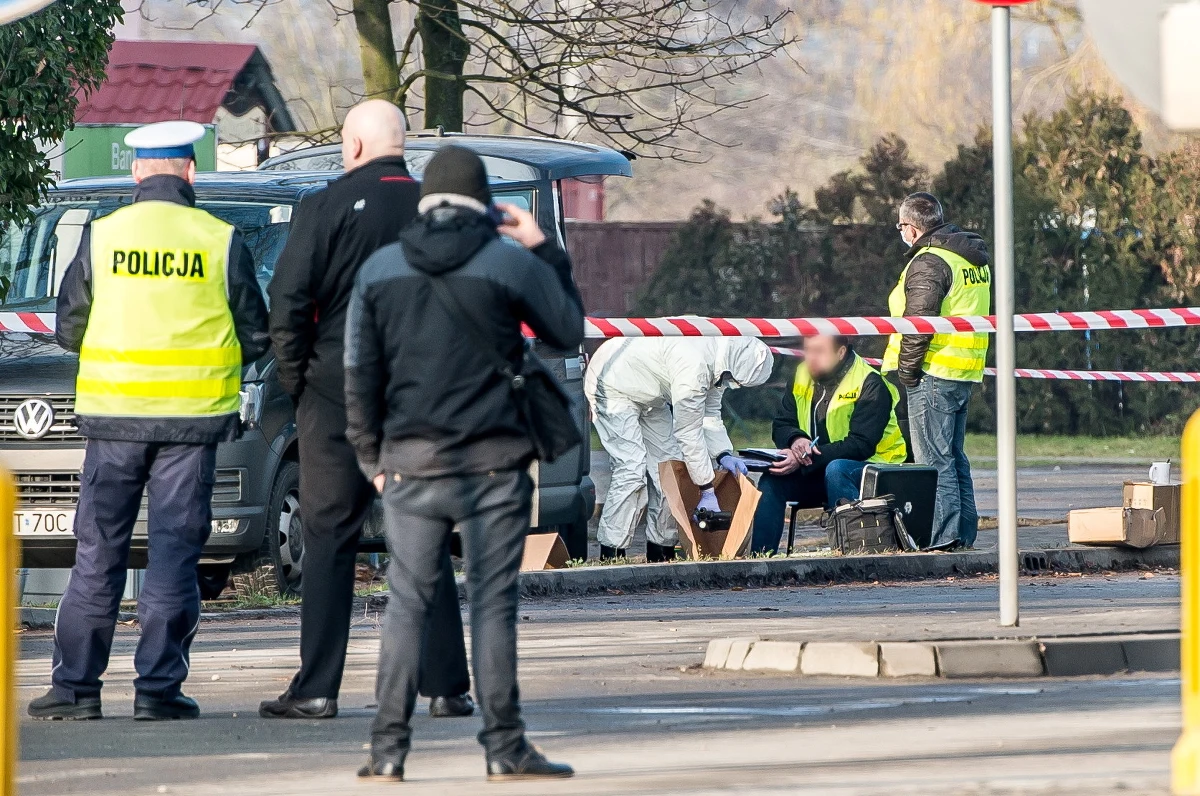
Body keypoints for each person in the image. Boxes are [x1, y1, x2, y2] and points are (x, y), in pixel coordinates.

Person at [345, 145, 581, 782]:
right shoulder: (507, 262)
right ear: (485, 204)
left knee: (405, 605)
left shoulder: (380, 269)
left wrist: (372, 458)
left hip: (410, 464)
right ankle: (504, 748)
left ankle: (386, 750)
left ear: (426, 201)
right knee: (492, 605)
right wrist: (542, 248)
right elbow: (565, 330)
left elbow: (359, 374)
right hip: (495, 464)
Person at [29, 121, 270, 720]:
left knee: (99, 551)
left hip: (112, 422)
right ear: (190, 173)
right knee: (172, 554)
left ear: (138, 173)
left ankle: (75, 691)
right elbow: (257, 333)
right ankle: (158, 693)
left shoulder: (104, 236)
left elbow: (68, 328)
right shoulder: (219, 240)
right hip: (191, 425)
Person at [261, 100, 473, 720]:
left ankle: (318, 688)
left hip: (334, 396)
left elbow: (289, 300)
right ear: (402, 146)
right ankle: (446, 686)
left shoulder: (323, 207)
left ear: (352, 147)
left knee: (328, 536)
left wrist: (301, 382)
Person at [586, 336, 775, 561]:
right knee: (631, 469)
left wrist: (723, 453)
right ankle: (612, 554)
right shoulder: (694, 366)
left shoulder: (720, 366)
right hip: (612, 382)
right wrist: (706, 489)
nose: (731, 385)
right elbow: (688, 433)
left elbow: (709, 415)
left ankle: (660, 552)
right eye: (733, 381)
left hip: (650, 394)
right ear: (730, 368)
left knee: (670, 470)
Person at [881, 192, 991, 549]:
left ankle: (943, 539)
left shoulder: (930, 261)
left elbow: (918, 325)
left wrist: (908, 373)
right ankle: (964, 534)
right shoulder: (970, 258)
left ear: (911, 229)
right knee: (955, 457)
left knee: (934, 460)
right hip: (962, 369)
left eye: (901, 227)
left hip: (933, 371)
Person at [749, 335, 906, 554]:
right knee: (772, 478)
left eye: (819, 351)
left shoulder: (869, 382)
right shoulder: (802, 374)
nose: (810, 358)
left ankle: (850, 553)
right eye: (808, 350)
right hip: (820, 467)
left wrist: (805, 457)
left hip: (875, 470)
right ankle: (761, 558)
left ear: (840, 353)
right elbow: (782, 423)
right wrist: (797, 440)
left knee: (837, 469)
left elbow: (861, 445)